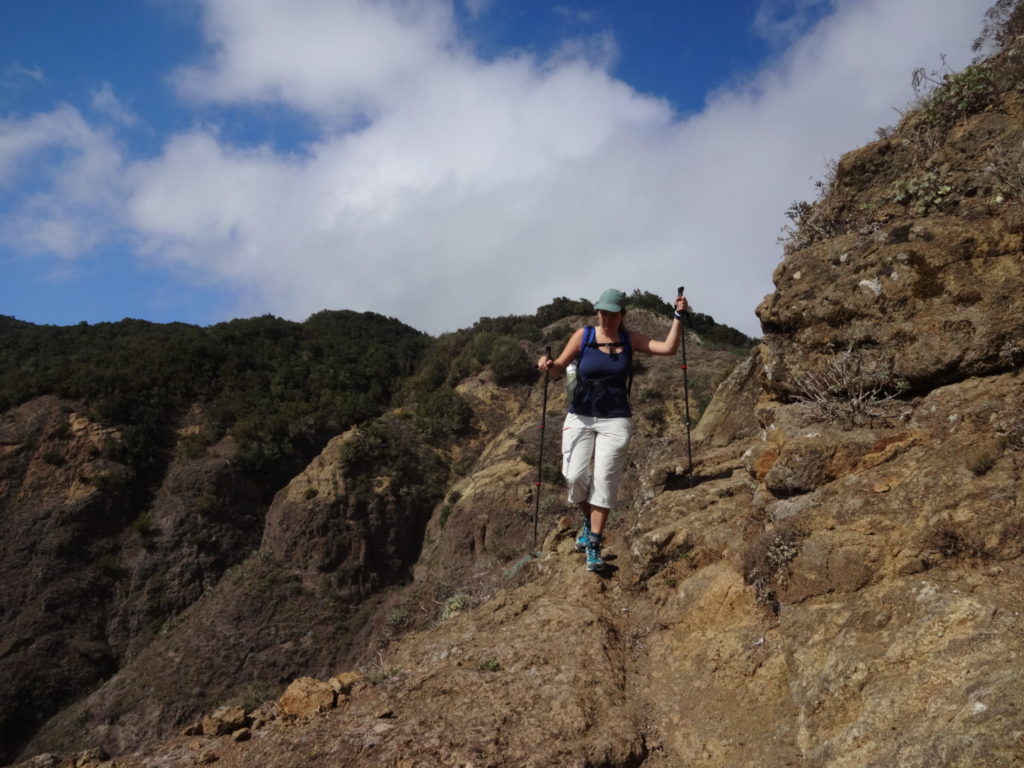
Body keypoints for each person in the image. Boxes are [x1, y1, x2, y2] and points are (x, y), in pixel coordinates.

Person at [537, 288, 689, 572]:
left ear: (622, 315)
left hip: (616, 419)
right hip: (580, 415)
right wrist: (547, 365)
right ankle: (588, 518)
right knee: (574, 476)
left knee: (604, 480)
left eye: (611, 313)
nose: (605, 318)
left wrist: (678, 316)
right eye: (601, 312)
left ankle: (594, 543)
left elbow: (667, 348)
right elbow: (558, 367)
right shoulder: (584, 336)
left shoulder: (630, 340)